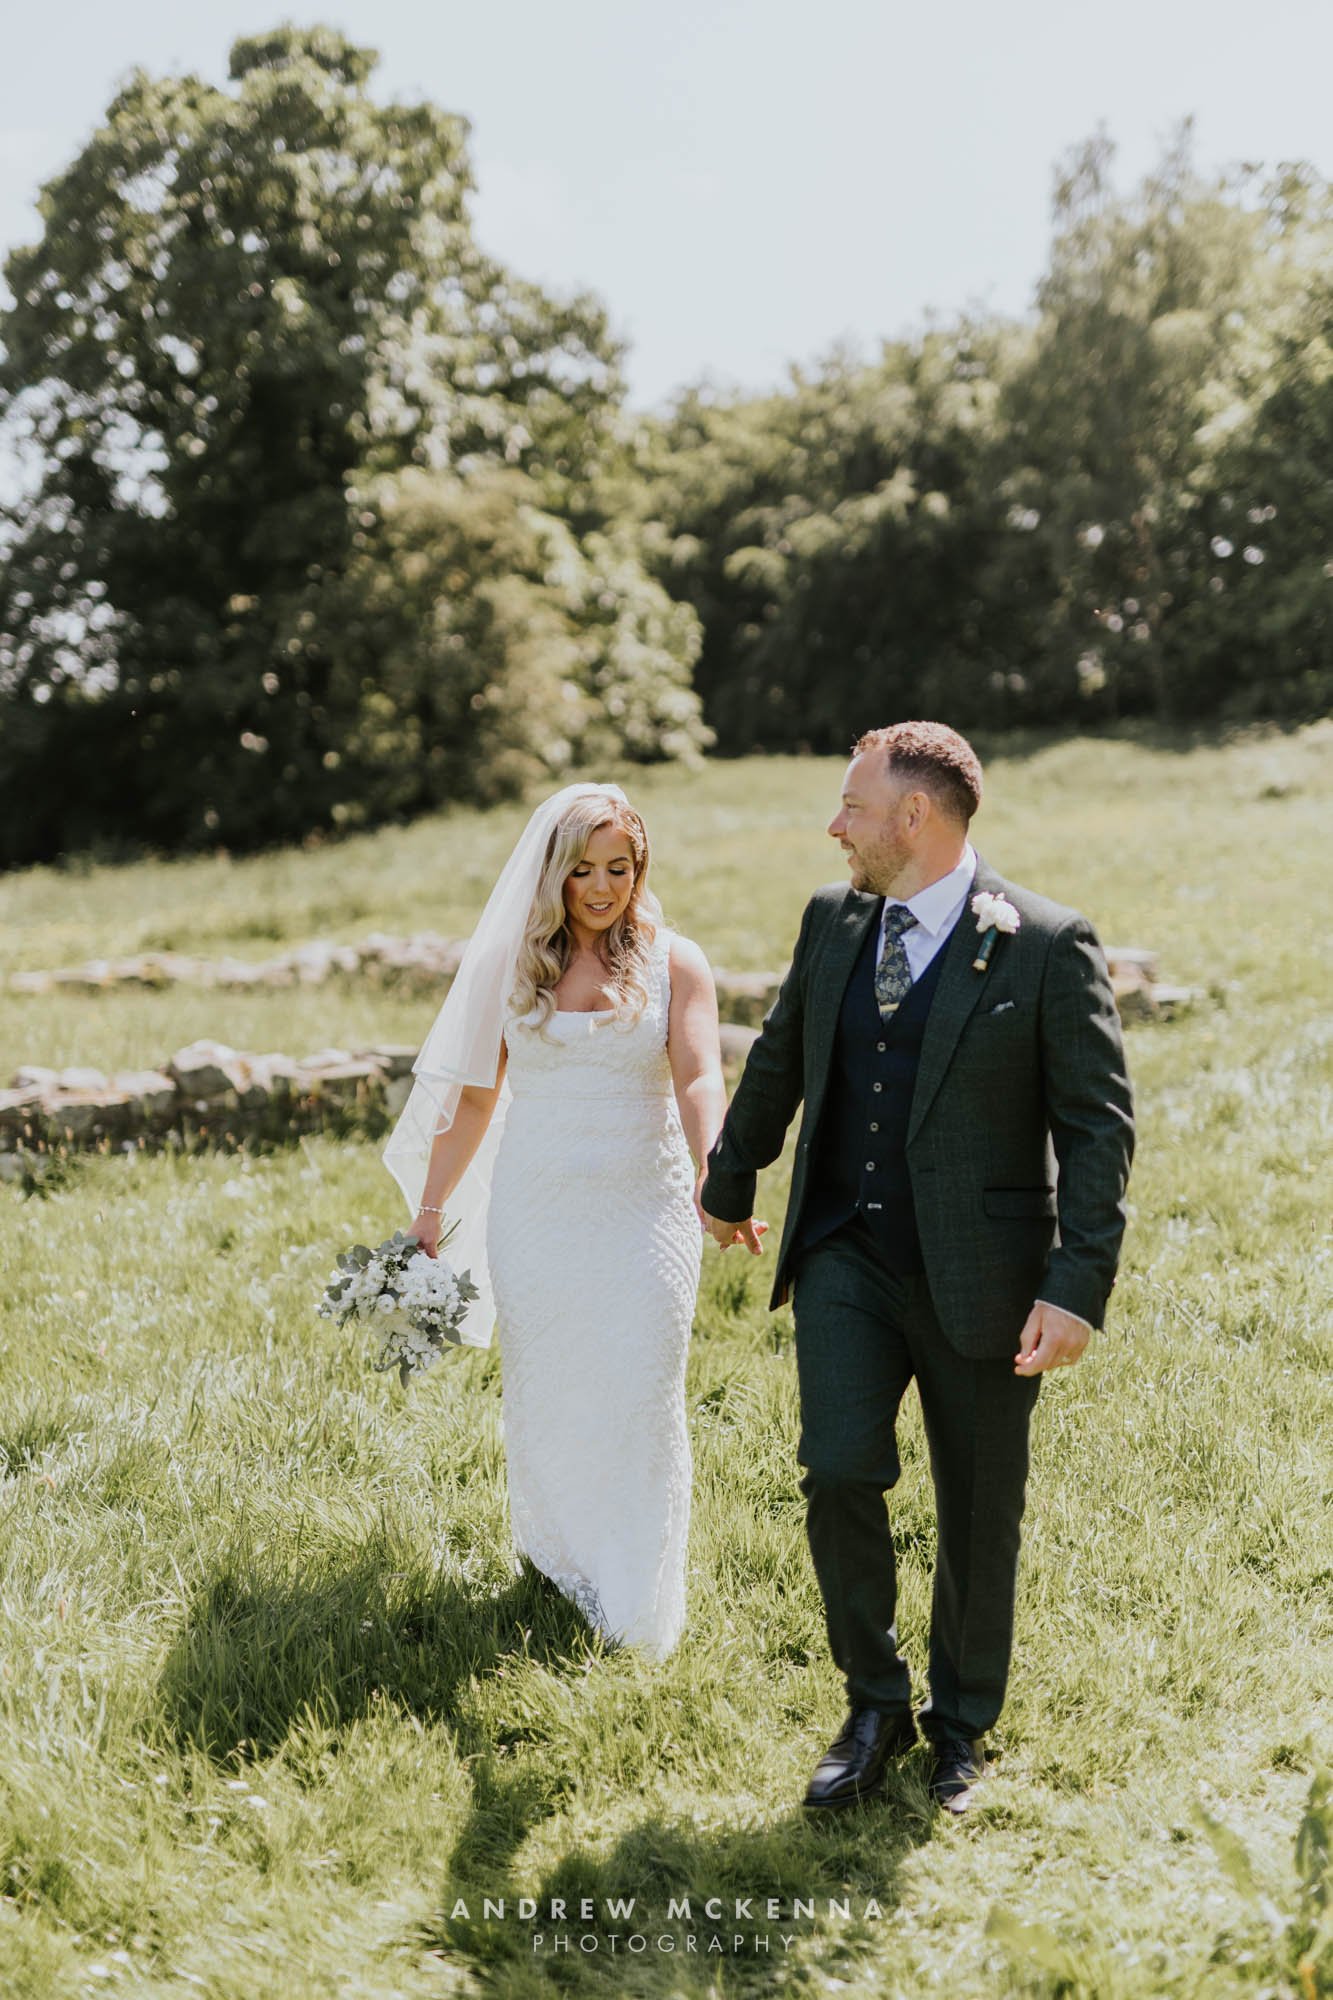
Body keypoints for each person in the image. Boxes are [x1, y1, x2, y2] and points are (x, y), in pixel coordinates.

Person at [700, 722, 1134, 1813]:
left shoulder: (1046, 943)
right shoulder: (832, 918)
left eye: (851, 806)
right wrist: (730, 1175)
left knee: (978, 1503)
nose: (833, 826)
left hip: (984, 1273)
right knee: (837, 1470)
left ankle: (960, 1725)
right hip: (842, 1249)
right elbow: (784, 1051)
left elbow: (1096, 1129)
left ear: (914, 814)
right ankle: (873, 1701)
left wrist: (1075, 1285)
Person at [384, 784, 725, 1657]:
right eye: (582, 870)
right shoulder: (510, 966)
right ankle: (560, 1555)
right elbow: (471, 1103)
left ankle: (636, 1591)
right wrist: (430, 1212)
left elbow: (697, 1076)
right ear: (553, 874)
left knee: (641, 1386)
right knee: (552, 1385)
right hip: (536, 1211)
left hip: (647, 1208)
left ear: (639, 869)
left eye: (619, 867)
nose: (602, 887)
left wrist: (714, 1167)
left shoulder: (676, 961)